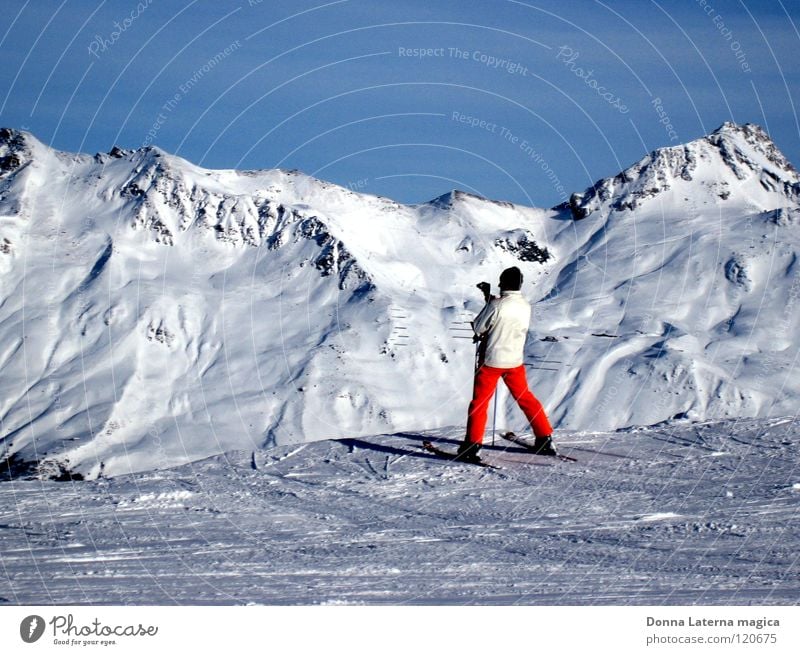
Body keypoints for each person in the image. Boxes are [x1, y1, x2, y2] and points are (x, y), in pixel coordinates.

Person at [457, 266, 556, 462]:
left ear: (503, 283)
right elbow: (504, 314)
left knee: (480, 403)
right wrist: (491, 299)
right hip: (515, 361)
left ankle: (472, 445)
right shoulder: (525, 305)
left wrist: (488, 302)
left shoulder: (497, 305)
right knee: (526, 398)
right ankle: (544, 438)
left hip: (492, 361)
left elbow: (478, 327)